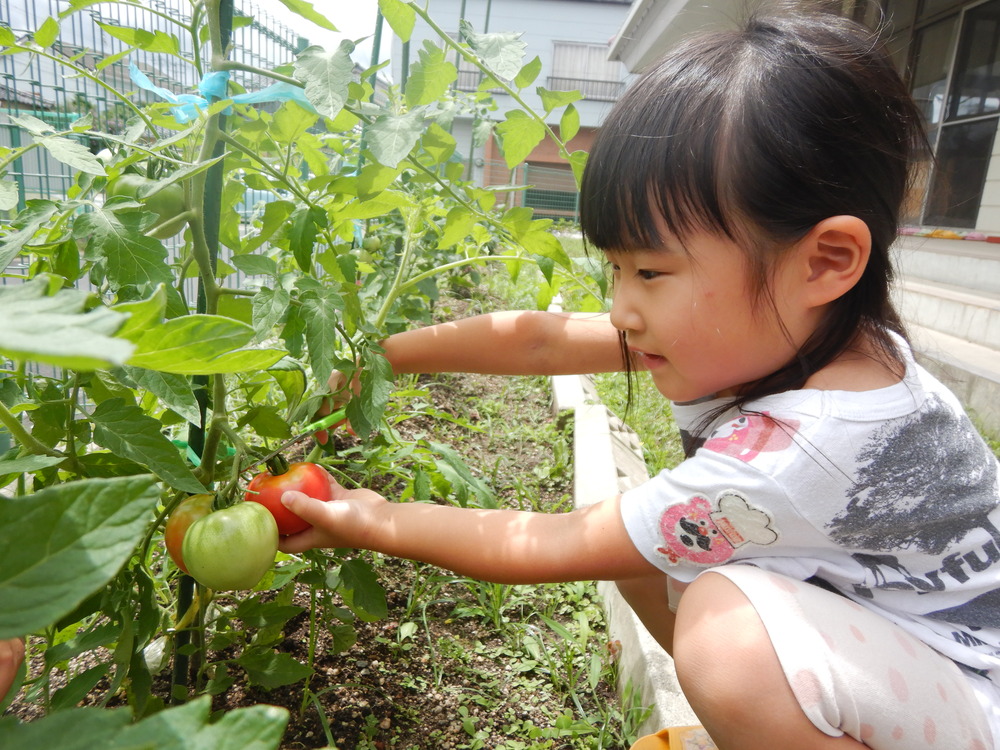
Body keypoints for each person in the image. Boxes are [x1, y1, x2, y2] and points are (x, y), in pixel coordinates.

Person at [279, 7, 1000, 750]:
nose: (622, 308)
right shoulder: (804, 333)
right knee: (657, 560)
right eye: (616, 269)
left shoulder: (802, 450)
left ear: (824, 262)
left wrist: (368, 518)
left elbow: (548, 545)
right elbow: (541, 342)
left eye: (650, 271)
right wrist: (386, 356)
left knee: (727, 639)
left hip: (974, 695)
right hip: (922, 659)